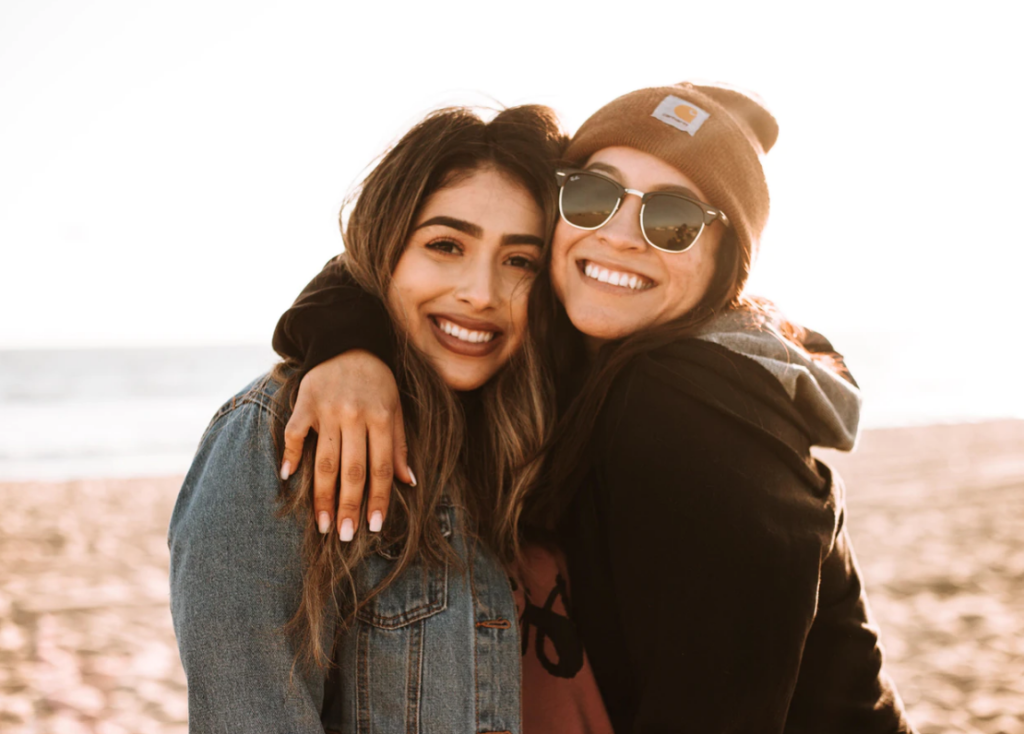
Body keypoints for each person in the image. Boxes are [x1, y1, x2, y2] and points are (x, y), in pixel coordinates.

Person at [270, 82, 917, 733]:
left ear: (726, 262)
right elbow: (392, 252)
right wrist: (349, 346)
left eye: (672, 219)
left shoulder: (690, 412)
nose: (620, 236)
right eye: (593, 195)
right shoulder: (584, 350)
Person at [168, 105, 613, 733]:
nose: (481, 293)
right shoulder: (282, 437)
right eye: (445, 245)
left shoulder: (539, 432)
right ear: (385, 249)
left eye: (520, 261)